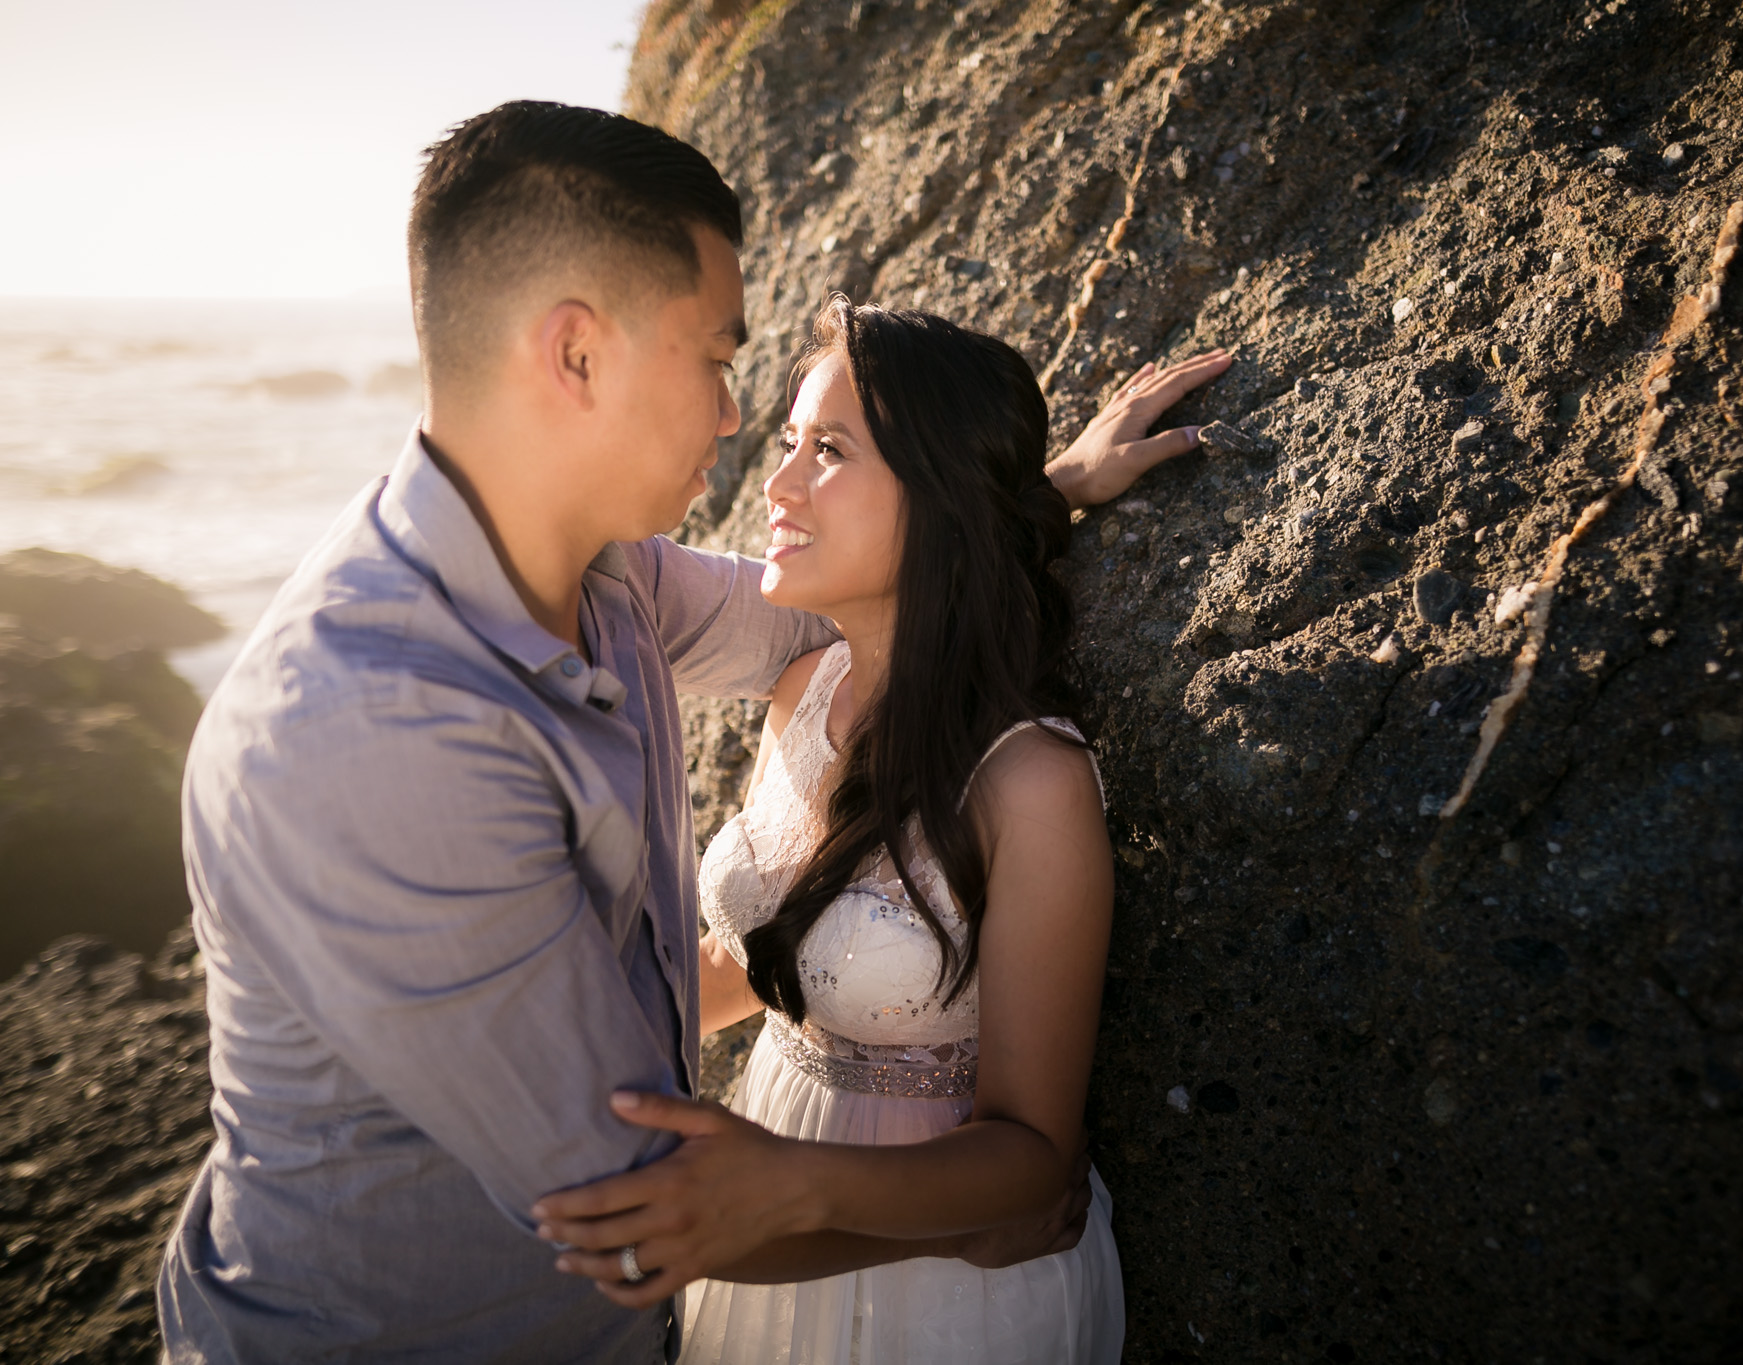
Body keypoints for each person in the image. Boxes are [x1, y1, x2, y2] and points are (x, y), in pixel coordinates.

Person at [157, 100, 1227, 1363]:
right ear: (577, 355)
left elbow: (875, 587)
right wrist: (973, 1214)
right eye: (717, 359)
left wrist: (1019, 494)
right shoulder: (371, 735)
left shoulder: (612, 583)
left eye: (797, 433)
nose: (734, 424)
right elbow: (634, 1206)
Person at [534, 298, 1146, 1362]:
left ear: (944, 497)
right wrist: (562, 1078)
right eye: (786, 446)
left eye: (827, 450)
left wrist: (784, 1191)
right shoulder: (803, 689)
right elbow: (760, 960)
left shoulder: (1030, 783)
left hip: (948, 1280)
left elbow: (1033, 1154)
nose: (773, 487)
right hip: (767, 1186)